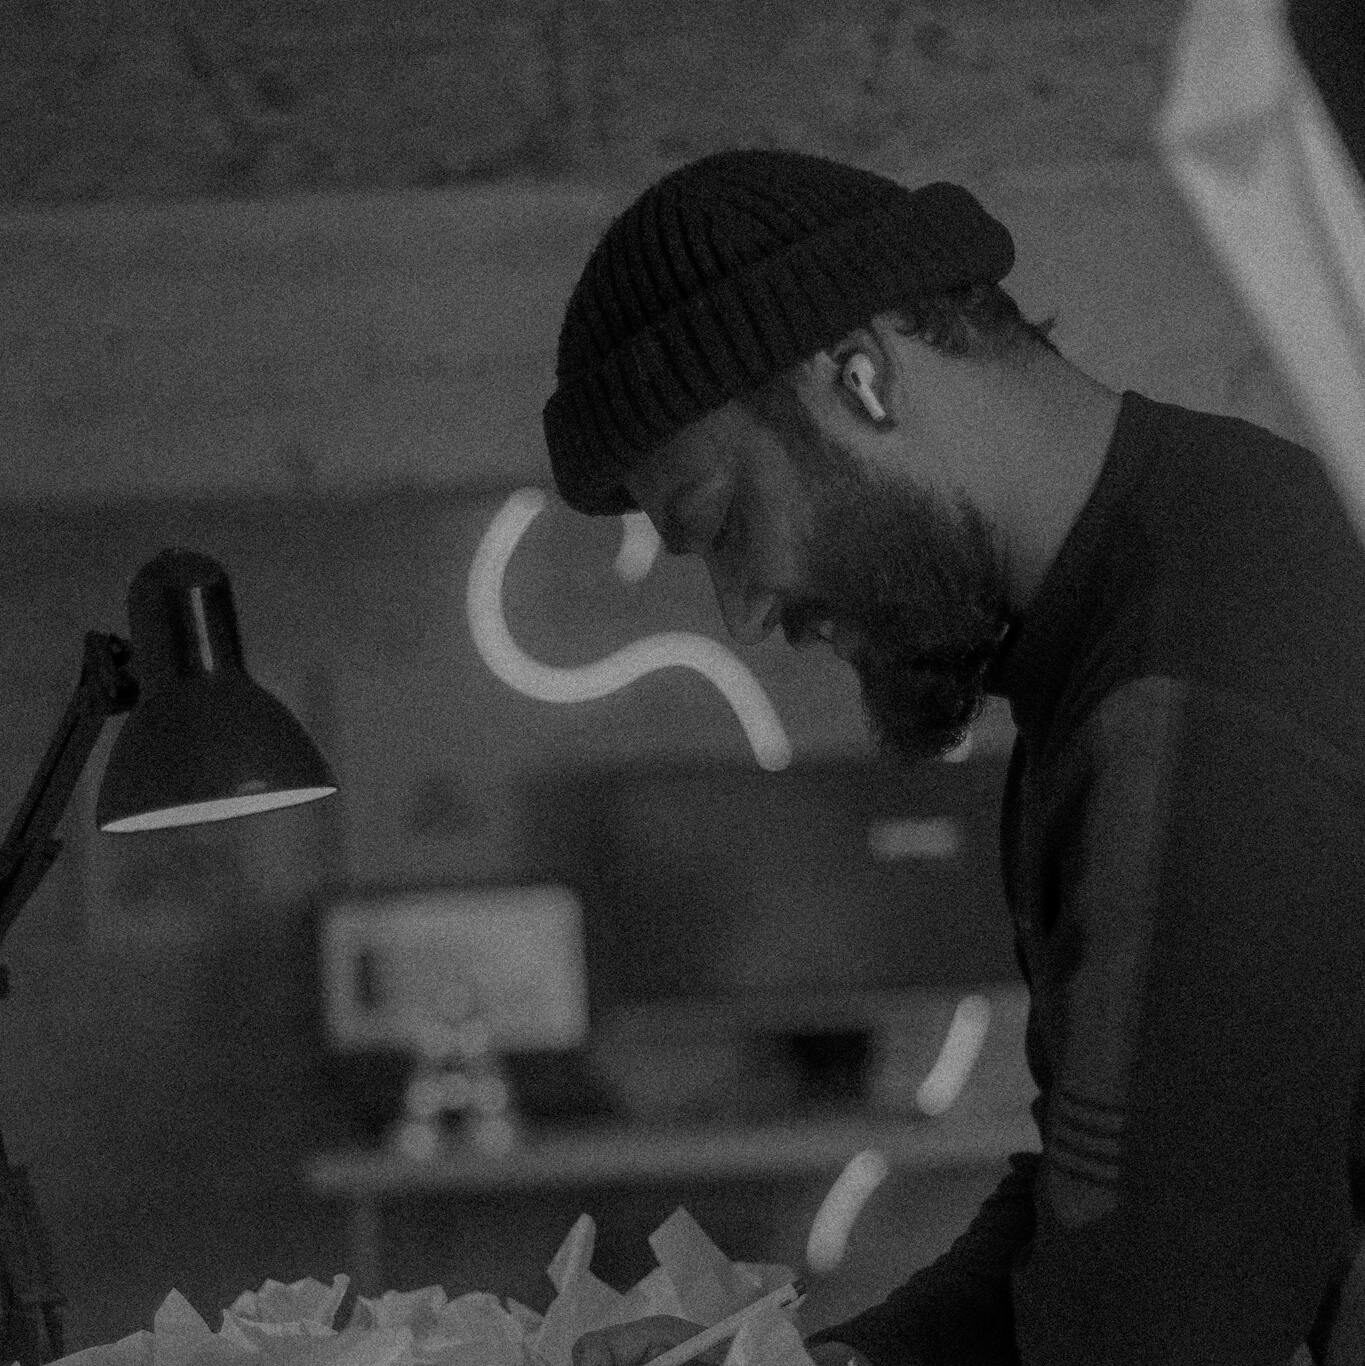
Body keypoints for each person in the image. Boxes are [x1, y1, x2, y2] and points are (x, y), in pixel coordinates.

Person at [540, 147, 1365, 1365]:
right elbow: (1110, 1194)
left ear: (861, 375)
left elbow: (1156, 1326)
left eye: (720, 522)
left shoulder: (1194, 672)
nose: (742, 611)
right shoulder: (1156, 588)